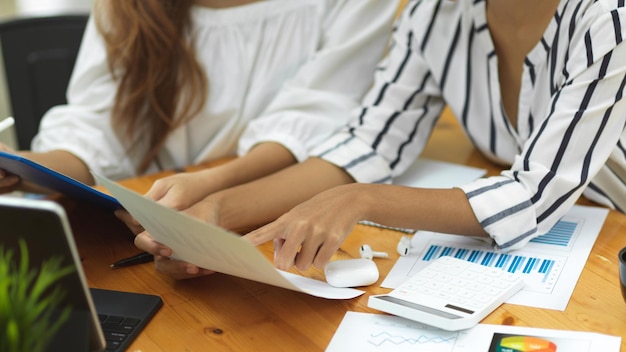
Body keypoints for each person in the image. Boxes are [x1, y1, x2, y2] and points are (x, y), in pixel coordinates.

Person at [135, 0, 626, 278]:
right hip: (564, 245)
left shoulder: (608, 20)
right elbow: (369, 140)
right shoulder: (436, 11)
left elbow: (534, 194)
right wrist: (219, 213)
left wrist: (361, 199)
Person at [0, 0, 398, 201]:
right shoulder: (126, 7)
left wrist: (209, 187)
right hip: (143, 221)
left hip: (270, 206)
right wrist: (24, 167)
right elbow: (95, 131)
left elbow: (316, 115)